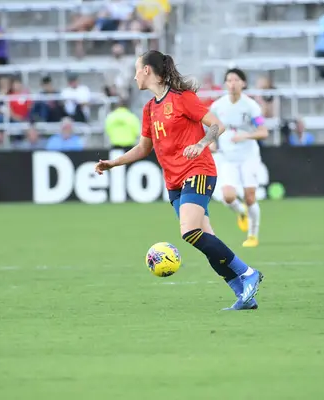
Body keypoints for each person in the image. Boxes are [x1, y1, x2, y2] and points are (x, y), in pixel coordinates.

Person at [94, 50, 263, 311]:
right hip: (174, 182)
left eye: (137, 69)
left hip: (198, 170)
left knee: (189, 232)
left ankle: (247, 272)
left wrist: (202, 143)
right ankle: (243, 294)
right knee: (207, 239)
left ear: (148, 71)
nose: (135, 75)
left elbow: (217, 125)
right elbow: (143, 148)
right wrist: (113, 163)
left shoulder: (183, 98)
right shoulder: (150, 108)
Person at [209, 68, 268, 248]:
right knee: (228, 196)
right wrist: (211, 142)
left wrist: (244, 136)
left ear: (243, 83)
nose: (232, 83)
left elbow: (263, 131)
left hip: (248, 156)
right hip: (227, 157)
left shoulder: (251, 107)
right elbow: (212, 128)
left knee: (250, 197)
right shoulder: (218, 106)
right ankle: (241, 212)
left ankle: (252, 235)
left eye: (236, 80)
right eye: (229, 80)